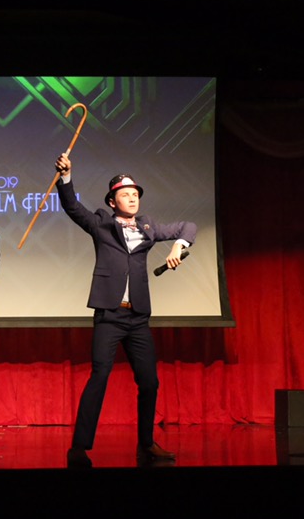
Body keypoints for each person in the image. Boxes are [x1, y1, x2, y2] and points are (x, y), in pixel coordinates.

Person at [54, 153, 197, 469]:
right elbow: (72, 207)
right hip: (110, 314)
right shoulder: (101, 223)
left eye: (135, 194)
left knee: (149, 382)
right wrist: (66, 177)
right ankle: (79, 446)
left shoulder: (148, 227)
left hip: (138, 318)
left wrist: (178, 246)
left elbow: (189, 225)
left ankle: (146, 443)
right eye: (125, 194)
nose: (132, 198)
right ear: (113, 200)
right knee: (99, 377)